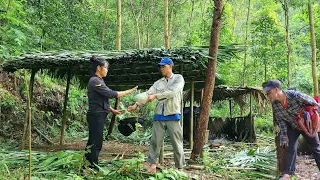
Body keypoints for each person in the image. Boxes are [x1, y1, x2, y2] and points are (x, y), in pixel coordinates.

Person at [128, 57, 185, 174]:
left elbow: (172, 92)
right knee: (155, 142)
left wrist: (156, 96)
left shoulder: (178, 78)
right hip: (159, 115)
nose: (161, 69)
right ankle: (152, 165)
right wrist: (136, 104)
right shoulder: (158, 83)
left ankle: (180, 167)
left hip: (173, 115)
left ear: (170, 66)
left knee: (176, 142)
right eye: (160, 67)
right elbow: (148, 93)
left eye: (163, 66)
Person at [85, 56, 137, 170]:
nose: (107, 70)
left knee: (93, 140)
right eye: (106, 68)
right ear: (99, 68)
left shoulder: (99, 81)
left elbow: (102, 100)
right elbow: (110, 94)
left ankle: (87, 163)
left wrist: (113, 110)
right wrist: (129, 91)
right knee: (96, 142)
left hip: (98, 114)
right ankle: (93, 167)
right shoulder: (95, 81)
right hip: (96, 115)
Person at [263, 79, 320, 180]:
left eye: (269, 93)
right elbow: (281, 121)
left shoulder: (295, 95)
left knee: (316, 148)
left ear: (276, 90)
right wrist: (284, 136)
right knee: (289, 148)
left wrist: (314, 118)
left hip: (307, 125)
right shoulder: (275, 104)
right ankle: (287, 174)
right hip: (293, 127)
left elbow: (314, 103)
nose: (268, 95)